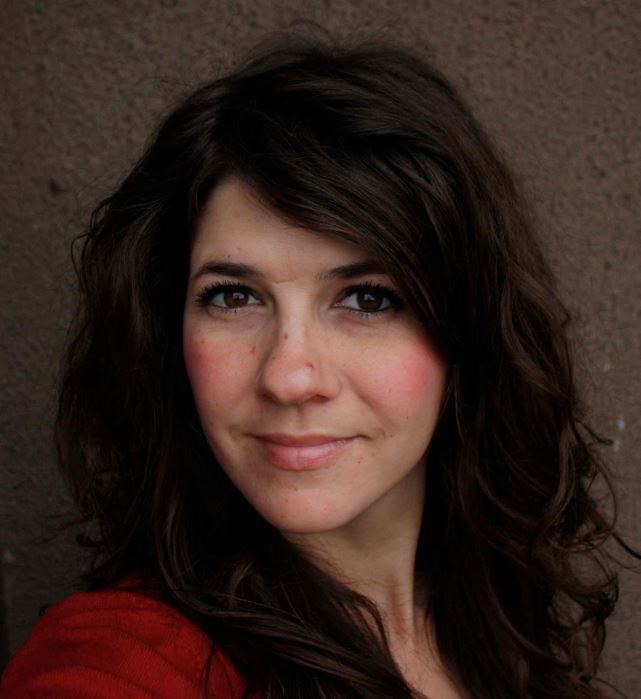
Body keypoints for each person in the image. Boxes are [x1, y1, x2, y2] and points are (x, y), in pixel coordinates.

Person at [1, 31, 638, 699]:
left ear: (467, 331)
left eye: (367, 299)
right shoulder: (128, 657)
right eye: (234, 296)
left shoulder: (503, 636)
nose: (288, 377)